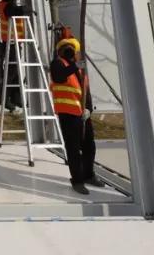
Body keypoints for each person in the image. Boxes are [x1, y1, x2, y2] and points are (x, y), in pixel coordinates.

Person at [51, 37, 101, 195]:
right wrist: (75, 66)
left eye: (72, 49)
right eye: (66, 48)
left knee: (89, 146)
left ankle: (88, 175)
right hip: (68, 114)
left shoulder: (80, 69)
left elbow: (86, 91)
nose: (70, 52)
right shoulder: (58, 64)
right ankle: (77, 180)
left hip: (83, 115)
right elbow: (59, 77)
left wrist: (88, 109)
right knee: (73, 149)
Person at [0, 0, 25, 114]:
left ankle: (16, 98)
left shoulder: (5, 5)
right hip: (11, 43)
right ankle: (4, 98)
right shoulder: (7, 7)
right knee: (11, 72)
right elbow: (15, 11)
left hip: (13, 42)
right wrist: (26, 9)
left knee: (16, 72)